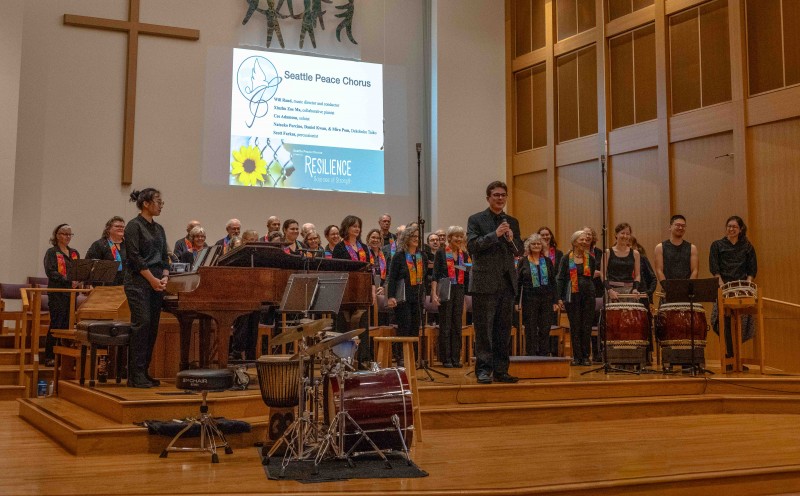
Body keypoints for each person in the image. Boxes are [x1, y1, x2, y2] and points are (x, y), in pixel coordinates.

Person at [466, 181, 521, 384]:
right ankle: (483, 370)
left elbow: (520, 251)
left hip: (506, 283)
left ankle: (501, 370)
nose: (500, 198)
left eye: (503, 195)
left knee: (503, 330)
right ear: (488, 197)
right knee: (484, 329)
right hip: (484, 283)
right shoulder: (476, 220)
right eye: (496, 195)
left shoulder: (512, 222)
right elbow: (472, 246)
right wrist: (494, 235)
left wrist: (511, 239)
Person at [123, 188, 170, 388]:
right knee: (142, 324)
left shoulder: (159, 228)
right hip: (138, 282)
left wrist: (165, 276)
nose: (161, 205)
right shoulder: (133, 226)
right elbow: (134, 257)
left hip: (157, 282)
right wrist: (152, 279)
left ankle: (144, 371)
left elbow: (164, 255)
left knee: (152, 327)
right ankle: (135, 374)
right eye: (158, 201)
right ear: (146, 203)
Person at [709, 215, 758, 361]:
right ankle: (728, 357)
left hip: (742, 291)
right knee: (724, 323)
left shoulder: (747, 246)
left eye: (734, 227)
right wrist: (723, 287)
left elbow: (752, 270)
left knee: (741, 324)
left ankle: (737, 358)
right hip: (723, 289)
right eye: (729, 226)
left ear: (740, 229)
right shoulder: (717, 245)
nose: (731, 229)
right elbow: (715, 269)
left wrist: (747, 286)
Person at [557, 230, 598, 366]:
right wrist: (559, 298)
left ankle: (586, 356)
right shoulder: (565, 258)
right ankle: (577, 357)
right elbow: (561, 278)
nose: (585, 242)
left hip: (588, 295)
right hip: (572, 294)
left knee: (586, 326)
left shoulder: (590, 258)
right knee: (575, 325)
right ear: (574, 242)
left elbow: (591, 276)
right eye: (581, 240)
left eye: (586, 240)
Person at [432, 226, 471, 367]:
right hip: (445, 289)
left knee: (457, 324)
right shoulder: (441, 253)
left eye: (461, 237)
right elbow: (435, 274)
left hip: (459, 289)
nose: (459, 239)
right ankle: (446, 358)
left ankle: (456, 357)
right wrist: (434, 294)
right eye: (456, 236)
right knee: (446, 324)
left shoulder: (464, 254)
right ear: (449, 238)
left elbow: (467, 273)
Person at [386, 224, 425, 366]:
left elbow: (424, 278)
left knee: (415, 328)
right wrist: (390, 296)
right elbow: (392, 278)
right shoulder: (399, 255)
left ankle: (413, 357)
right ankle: (401, 357)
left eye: (417, 237)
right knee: (405, 327)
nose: (416, 239)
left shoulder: (421, 256)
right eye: (413, 237)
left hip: (417, 297)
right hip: (403, 298)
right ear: (406, 238)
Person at [42, 224, 80, 366]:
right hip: (57, 292)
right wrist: (67, 280)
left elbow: (79, 270)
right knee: (56, 323)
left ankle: (64, 356)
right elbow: (51, 272)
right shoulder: (52, 252)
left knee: (68, 325)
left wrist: (78, 280)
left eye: (70, 234)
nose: (68, 237)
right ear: (57, 235)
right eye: (65, 234)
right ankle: (50, 356)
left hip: (71, 294)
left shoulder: (74, 253)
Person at [516, 233, 558, 357]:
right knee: (530, 328)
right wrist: (516, 302)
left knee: (545, 328)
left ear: (542, 246)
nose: (536, 246)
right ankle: (531, 355)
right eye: (533, 244)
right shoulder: (523, 261)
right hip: (529, 299)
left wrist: (555, 301)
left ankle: (544, 354)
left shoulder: (547, 261)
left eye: (538, 243)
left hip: (546, 299)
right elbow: (518, 283)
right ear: (529, 246)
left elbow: (553, 282)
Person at [654, 214, 699, 302]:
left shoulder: (692, 248)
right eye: (677, 225)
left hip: (687, 292)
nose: (680, 228)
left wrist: (687, 288)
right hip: (668, 291)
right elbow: (659, 270)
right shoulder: (660, 247)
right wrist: (668, 288)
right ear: (670, 227)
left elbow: (695, 270)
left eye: (683, 226)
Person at [603, 223, 641, 301]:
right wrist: (609, 290)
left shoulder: (635, 253)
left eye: (628, 234)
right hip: (612, 290)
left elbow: (637, 275)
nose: (625, 236)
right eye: (622, 233)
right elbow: (602, 274)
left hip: (630, 291)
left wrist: (635, 289)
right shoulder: (607, 252)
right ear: (616, 234)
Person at [85, 216, 127, 286]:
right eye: (117, 226)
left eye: (122, 227)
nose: (121, 228)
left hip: (125, 285)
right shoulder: (99, 244)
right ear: (108, 229)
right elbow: (89, 264)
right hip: (104, 286)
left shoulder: (128, 244)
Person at [630, 236, 656, 304]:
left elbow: (653, 279)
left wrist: (648, 292)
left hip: (641, 296)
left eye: (629, 245)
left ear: (635, 247)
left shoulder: (642, 259)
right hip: (625, 295)